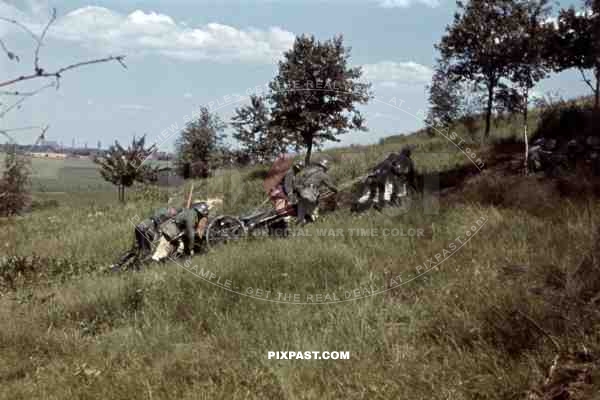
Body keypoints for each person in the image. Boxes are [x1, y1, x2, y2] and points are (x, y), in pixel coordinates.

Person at [110, 206, 181, 271]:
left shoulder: (162, 210)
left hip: (140, 227)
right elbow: (158, 223)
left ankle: (117, 265)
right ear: (172, 210)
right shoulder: (165, 213)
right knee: (146, 252)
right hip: (145, 230)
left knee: (135, 250)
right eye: (174, 213)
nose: (173, 215)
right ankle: (133, 268)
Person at [294, 159, 338, 225]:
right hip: (309, 193)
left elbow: (298, 181)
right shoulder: (322, 174)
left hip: (301, 193)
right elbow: (331, 186)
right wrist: (336, 190)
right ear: (325, 167)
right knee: (313, 214)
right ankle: (314, 226)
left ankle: (298, 227)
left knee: (301, 217)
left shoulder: (308, 172)